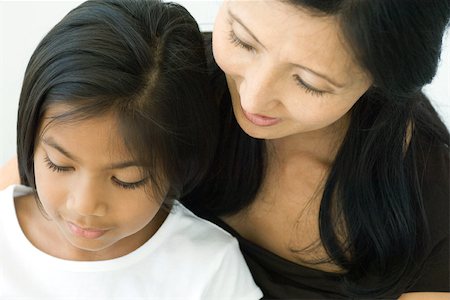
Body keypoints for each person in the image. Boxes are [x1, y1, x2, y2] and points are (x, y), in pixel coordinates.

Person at [1, 0, 449, 299]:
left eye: (308, 82)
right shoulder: (163, 88)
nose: (252, 100)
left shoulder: (432, 198)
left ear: (383, 80)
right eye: (242, 40)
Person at [0, 0, 263, 299]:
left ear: (178, 165)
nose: (85, 205)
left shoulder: (208, 266)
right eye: (59, 164)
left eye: (127, 180)